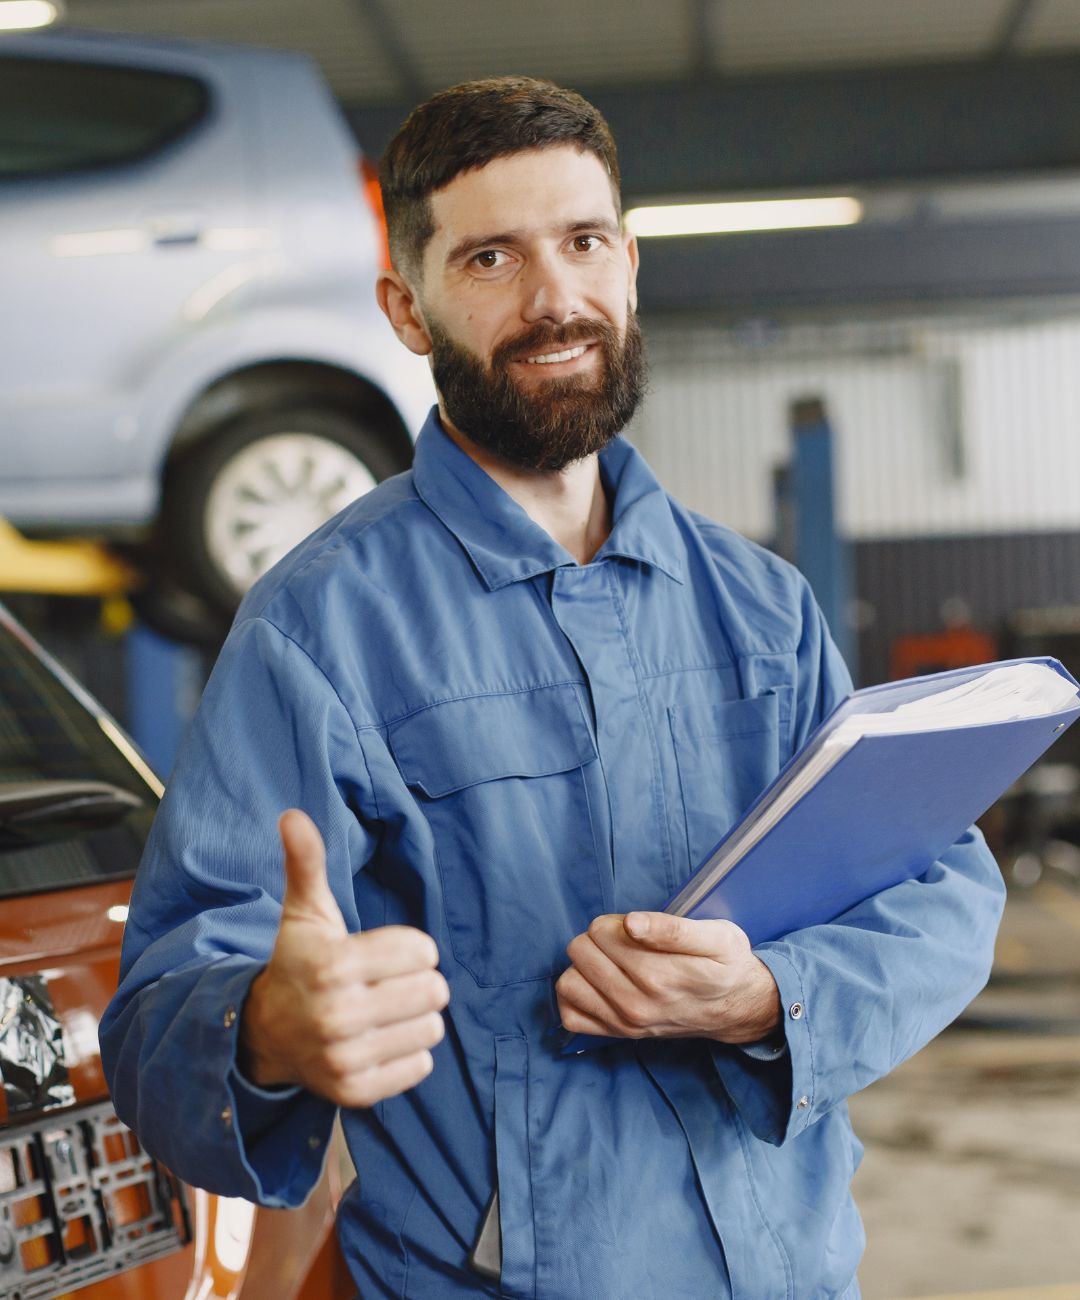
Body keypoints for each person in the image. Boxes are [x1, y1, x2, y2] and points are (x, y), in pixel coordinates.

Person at [100, 77, 1005, 1299]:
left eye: (583, 243)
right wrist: (266, 1027)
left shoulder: (762, 607)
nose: (555, 299)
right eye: (490, 258)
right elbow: (161, 1013)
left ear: (629, 263)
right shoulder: (320, 631)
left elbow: (940, 887)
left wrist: (770, 995)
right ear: (406, 312)